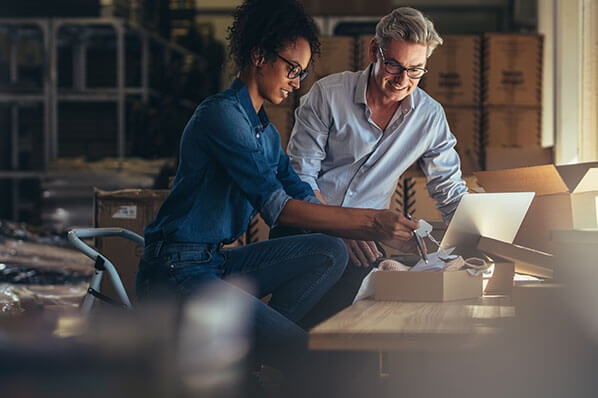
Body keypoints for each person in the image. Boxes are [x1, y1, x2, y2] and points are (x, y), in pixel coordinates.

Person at [135, 0, 419, 383]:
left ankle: (247, 356)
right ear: (258, 55)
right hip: (175, 270)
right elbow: (279, 209)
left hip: (215, 264)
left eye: (301, 73)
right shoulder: (222, 116)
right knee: (308, 357)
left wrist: (353, 231)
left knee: (329, 249)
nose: (297, 82)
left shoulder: (263, 131)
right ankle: (258, 354)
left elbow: (298, 188)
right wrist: (371, 223)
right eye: (292, 69)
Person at [284, 7, 468, 328]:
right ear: (374, 51)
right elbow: (299, 179)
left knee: (367, 330)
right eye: (394, 65)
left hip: (366, 242)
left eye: (415, 70)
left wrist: (477, 240)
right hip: (306, 230)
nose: (402, 80)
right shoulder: (327, 96)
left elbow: (450, 191)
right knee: (313, 335)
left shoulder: (429, 116)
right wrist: (341, 226)